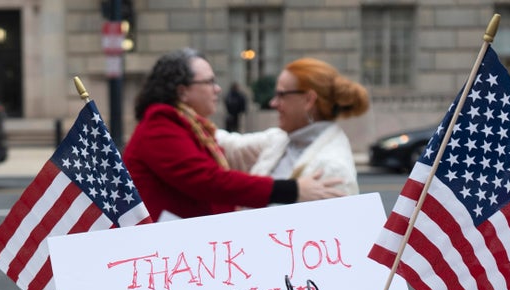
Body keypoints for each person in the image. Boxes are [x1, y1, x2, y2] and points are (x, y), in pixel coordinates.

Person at [122, 48, 345, 221]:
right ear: (182, 91)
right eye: (209, 82)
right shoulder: (159, 126)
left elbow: (233, 150)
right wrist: (292, 189)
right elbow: (209, 181)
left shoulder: (191, 126)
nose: (217, 89)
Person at [216, 57, 370, 197]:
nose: (273, 103)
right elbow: (229, 146)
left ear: (309, 100)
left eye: (281, 95)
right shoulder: (283, 139)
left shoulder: (333, 167)